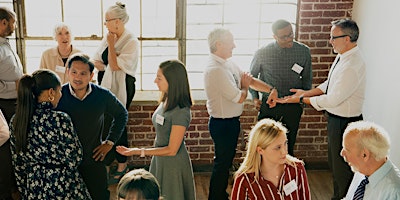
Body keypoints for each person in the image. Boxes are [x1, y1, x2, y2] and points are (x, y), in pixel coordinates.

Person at [277, 19, 366, 200]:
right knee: (335, 165)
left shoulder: (352, 65)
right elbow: (329, 84)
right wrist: (307, 92)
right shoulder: (343, 56)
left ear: (347, 38)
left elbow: (333, 99)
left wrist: (302, 99)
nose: (330, 41)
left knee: (343, 170)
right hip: (336, 121)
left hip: (345, 123)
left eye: (334, 37)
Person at [204, 28, 277, 200]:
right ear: (218, 44)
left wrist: (271, 90)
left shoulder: (228, 63)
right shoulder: (215, 69)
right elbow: (240, 97)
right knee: (222, 163)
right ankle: (215, 197)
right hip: (222, 124)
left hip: (230, 122)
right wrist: (244, 87)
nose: (234, 46)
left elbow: (249, 80)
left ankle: (221, 194)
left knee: (226, 162)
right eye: (231, 42)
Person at [117, 60, 196, 200]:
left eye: (159, 78)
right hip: (160, 159)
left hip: (173, 165)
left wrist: (138, 151)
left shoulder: (181, 111)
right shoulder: (166, 100)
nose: (155, 81)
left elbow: (172, 150)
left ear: (172, 81)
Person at [9, 69, 91, 199]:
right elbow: (75, 158)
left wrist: (26, 189)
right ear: (51, 92)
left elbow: (18, 163)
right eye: (59, 91)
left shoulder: (17, 120)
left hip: (34, 186)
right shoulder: (60, 119)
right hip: (63, 185)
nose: (60, 95)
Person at [56, 53, 128, 200]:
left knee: (99, 195)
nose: (78, 77)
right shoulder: (58, 95)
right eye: (74, 72)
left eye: (83, 73)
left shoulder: (101, 95)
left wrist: (110, 142)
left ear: (91, 75)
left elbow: (122, 114)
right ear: (67, 72)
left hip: (94, 158)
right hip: (65, 163)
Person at [249, 19, 312, 156]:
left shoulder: (304, 51)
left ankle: (285, 176)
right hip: (269, 105)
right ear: (275, 37)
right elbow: (251, 78)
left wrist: (302, 102)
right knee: (264, 145)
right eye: (284, 37)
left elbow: (307, 80)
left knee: (288, 145)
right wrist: (255, 98)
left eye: (291, 34)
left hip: (293, 107)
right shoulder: (262, 53)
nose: (289, 38)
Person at [92, 2, 139, 185]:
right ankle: (107, 160)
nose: (105, 24)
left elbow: (114, 65)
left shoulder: (130, 41)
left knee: (119, 119)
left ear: (118, 22)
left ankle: (122, 164)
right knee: (105, 121)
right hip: (105, 84)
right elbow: (97, 60)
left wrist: (112, 46)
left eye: (107, 20)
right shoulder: (108, 37)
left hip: (123, 86)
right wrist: (110, 58)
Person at [231, 118, 311, 199]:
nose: (284, 151)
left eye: (285, 143)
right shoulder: (244, 179)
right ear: (260, 150)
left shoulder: (297, 169)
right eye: (278, 147)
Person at [341, 121, 400, 200]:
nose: (342, 153)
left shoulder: (394, 192)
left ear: (365, 155)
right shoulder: (362, 170)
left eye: (346, 150)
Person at [0, 6, 23, 199]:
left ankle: (16, 186)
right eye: (13, 22)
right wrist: (11, 86)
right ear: (3, 23)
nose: (15, 26)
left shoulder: (5, 43)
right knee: (6, 150)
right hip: (3, 105)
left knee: (16, 146)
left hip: (14, 101)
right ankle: (7, 190)